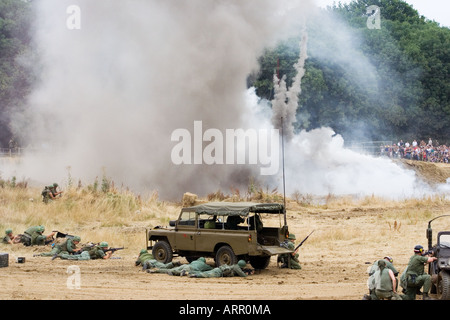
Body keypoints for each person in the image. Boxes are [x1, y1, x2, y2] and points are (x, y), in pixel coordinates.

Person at [149, 257, 213, 276]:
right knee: (178, 271)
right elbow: (211, 269)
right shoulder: (204, 265)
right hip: (189, 268)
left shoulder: (194, 261)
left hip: (186, 265)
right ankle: (176, 272)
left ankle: (155, 270)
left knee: (169, 270)